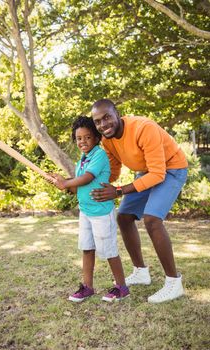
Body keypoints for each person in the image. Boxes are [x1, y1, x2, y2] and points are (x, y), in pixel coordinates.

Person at [90, 99, 188, 304]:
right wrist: (82, 183)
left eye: (107, 117)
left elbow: (158, 174)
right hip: (146, 172)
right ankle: (141, 272)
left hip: (171, 168)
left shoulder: (144, 128)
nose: (103, 124)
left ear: (117, 113)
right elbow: (113, 172)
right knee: (124, 217)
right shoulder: (107, 140)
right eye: (97, 121)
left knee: (152, 219)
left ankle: (173, 282)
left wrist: (118, 191)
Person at [49, 116, 129, 303]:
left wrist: (66, 182)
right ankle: (88, 287)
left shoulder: (99, 155)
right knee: (87, 249)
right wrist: (64, 184)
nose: (82, 142)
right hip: (85, 212)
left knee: (109, 251)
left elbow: (87, 178)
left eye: (87, 137)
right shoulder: (82, 160)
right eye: (79, 138)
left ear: (96, 138)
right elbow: (79, 186)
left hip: (101, 213)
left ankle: (121, 287)